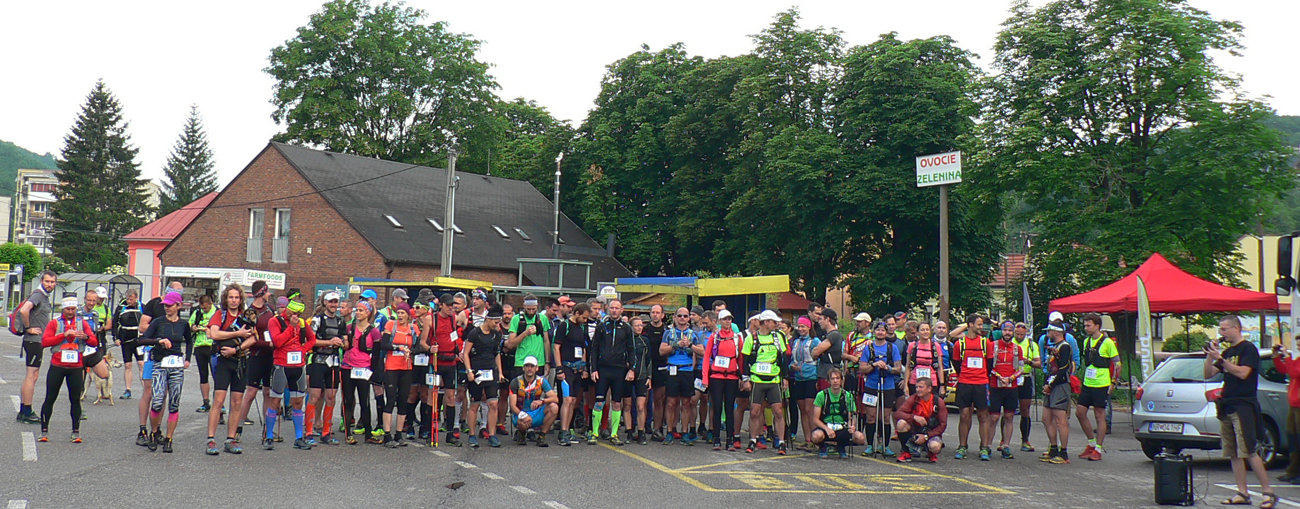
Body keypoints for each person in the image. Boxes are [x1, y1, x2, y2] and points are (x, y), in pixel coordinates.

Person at [1207, 315, 1278, 509]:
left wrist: (1220, 360)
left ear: (1236, 328)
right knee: (1233, 452)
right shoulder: (1227, 352)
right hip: (1227, 405)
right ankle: (1242, 492)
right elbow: (1208, 374)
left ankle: (1268, 493)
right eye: (1220, 329)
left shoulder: (1248, 349)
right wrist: (1210, 355)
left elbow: (1243, 373)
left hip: (1243, 405)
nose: (1222, 333)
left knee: (1249, 450)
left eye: (1224, 329)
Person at [137, 291, 194, 452]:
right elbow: (142, 339)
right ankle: (154, 433)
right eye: (165, 306)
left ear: (178, 306)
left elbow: (189, 341)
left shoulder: (183, 324)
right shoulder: (158, 322)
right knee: (157, 401)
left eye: (170, 305)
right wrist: (159, 341)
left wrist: (187, 359)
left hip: (176, 365)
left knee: (174, 403)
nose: (167, 308)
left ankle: (169, 438)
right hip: (159, 364)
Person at [37, 296, 98, 443]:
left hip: (76, 367)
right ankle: (44, 431)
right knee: (50, 397)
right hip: (57, 366)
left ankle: (75, 432)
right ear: (63, 309)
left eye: (73, 309)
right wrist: (63, 335)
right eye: (68, 309)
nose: (70, 312)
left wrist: (85, 337)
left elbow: (94, 341)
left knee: (75, 399)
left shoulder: (82, 323)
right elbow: (44, 342)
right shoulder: (54, 323)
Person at [205, 283, 254, 455]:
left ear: (241, 299)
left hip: (240, 361)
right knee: (218, 401)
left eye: (237, 297)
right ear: (226, 299)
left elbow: (253, 338)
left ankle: (230, 439)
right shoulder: (221, 314)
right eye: (231, 297)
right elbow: (215, 334)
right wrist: (237, 334)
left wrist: (236, 349)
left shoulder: (246, 316)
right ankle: (211, 440)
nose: (234, 300)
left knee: (237, 402)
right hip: (223, 362)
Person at [264, 296, 316, 450]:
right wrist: (290, 327)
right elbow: (277, 342)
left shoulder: (302, 323)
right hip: (281, 365)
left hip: (298, 366)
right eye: (292, 312)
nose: (294, 316)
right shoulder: (275, 321)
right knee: (275, 401)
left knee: (298, 402)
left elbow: (312, 339)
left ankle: (299, 438)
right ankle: (269, 437)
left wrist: (303, 350)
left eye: (297, 314)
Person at [588, 299, 635, 445]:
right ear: (608, 309)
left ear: (622, 310)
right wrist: (593, 369)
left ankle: (614, 434)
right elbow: (594, 349)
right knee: (599, 402)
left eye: (617, 308)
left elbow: (631, 349)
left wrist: (632, 369)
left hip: (619, 370)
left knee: (617, 403)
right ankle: (594, 432)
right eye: (612, 308)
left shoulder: (626, 328)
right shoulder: (602, 326)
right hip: (603, 369)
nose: (614, 310)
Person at [742, 310, 789, 455]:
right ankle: (753, 440)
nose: (777, 324)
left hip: (774, 379)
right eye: (774, 322)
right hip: (757, 379)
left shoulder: (779, 337)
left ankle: (781, 442)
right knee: (755, 411)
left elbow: (784, 358)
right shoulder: (751, 338)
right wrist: (746, 379)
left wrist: (785, 377)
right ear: (766, 322)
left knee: (778, 411)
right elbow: (744, 360)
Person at [1075, 313, 1119, 461]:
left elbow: (1117, 363)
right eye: (1085, 325)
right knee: (1080, 412)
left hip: (1102, 384)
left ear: (1097, 326)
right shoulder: (1086, 341)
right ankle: (1091, 443)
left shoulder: (1107, 342)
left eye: (1089, 325)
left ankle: (1098, 448)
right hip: (1088, 383)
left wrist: (1113, 382)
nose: (1086, 328)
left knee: (1099, 415)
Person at [306, 292, 347, 445]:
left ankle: (326, 432)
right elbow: (310, 341)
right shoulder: (317, 320)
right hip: (318, 362)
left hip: (334, 363)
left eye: (336, 302)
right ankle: (308, 432)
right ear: (325, 303)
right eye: (331, 302)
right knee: (314, 396)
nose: (333, 305)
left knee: (331, 397)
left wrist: (342, 343)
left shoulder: (341, 321)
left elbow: (346, 343)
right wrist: (329, 342)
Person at [237, 281, 277, 438]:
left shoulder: (270, 309)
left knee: (268, 392)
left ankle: (268, 430)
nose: (269, 295)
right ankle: (238, 429)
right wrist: (267, 343)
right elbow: (249, 338)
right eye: (267, 292)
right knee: (251, 392)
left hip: (270, 356)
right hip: (256, 355)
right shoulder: (250, 312)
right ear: (261, 293)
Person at [16, 270, 57, 424]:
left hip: (36, 341)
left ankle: (23, 411)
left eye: (52, 282)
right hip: (33, 340)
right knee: (31, 375)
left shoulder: (43, 296)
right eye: (47, 281)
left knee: (32, 374)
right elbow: (24, 310)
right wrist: (29, 328)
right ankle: (27, 411)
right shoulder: (38, 295)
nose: (50, 284)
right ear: (42, 281)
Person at [462, 303, 504, 448]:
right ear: (488, 319)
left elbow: (497, 354)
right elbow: (465, 353)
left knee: (493, 403)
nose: (497, 325)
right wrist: (469, 371)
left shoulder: (496, 334)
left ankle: (492, 434)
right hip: (477, 372)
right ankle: (472, 434)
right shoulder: (475, 333)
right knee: (475, 404)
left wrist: (500, 372)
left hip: (491, 371)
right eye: (495, 322)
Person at [952, 314, 994, 460]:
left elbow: (989, 363)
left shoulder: (985, 343)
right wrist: (965, 375)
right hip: (965, 382)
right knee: (964, 415)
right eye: (979, 324)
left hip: (981, 383)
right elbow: (956, 363)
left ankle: (984, 447)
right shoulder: (960, 344)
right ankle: (962, 446)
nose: (981, 327)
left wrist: (981, 376)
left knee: (983, 415)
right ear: (970, 324)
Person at [859, 321, 902, 457]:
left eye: (883, 330)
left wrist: (888, 368)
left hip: (888, 386)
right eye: (878, 330)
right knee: (871, 416)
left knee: (885, 417)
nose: (880, 332)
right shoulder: (868, 348)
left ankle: (885, 446)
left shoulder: (892, 348)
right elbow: (862, 368)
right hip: (871, 386)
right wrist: (874, 365)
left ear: (886, 332)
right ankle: (870, 445)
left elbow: (898, 368)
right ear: (874, 332)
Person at [379, 302, 419, 448]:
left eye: (403, 313)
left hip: (406, 368)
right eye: (399, 313)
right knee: (390, 400)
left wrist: (411, 351)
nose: (400, 315)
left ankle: (399, 434)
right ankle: (387, 435)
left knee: (403, 401)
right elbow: (383, 344)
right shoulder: (391, 324)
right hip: (391, 367)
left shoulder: (413, 328)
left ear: (408, 315)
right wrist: (398, 347)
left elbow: (418, 346)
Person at [661, 307, 702, 445]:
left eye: (685, 316)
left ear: (689, 318)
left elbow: (702, 351)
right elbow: (662, 350)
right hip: (673, 369)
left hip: (687, 370)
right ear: (675, 317)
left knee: (686, 403)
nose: (682, 318)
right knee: (671, 403)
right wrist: (675, 344)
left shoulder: (693, 334)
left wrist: (690, 345)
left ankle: (685, 432)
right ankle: (670, 432)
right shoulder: (669, 333)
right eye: (680, 316)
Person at [552, 302, 591, 446]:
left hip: (577, 369)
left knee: (574, 401)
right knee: (567, 400)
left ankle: (568, 429)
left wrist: (584, 366)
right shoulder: (564, 326)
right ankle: (562, 431)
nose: (585, 321)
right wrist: (559, 367)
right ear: (577, 313)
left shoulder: (582, 327)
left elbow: (584, 348)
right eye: (584, 318)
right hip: (566, 367)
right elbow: (556, 347)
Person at [343, 301, 380, 444]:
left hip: (363, 368)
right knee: (348, 400)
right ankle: (347, 433)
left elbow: (376, 354)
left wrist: (372, 370)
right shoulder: (349, 328)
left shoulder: (374, 331)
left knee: (364, 401)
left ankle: (368, 434)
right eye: (357, 310)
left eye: (361, 310)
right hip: (347, 367)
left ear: (368, 313)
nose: (358, 313)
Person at [809, 368, 865, 459]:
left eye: (838, 378)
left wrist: (852, 426)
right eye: (832, 378)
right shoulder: (821, 395)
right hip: (826, 427)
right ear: (828, 381)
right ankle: (822, 446)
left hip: (842, 427)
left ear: (842, 380)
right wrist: (826, 429)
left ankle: (841, 446)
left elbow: (852, 415)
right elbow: (815, 419)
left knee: (860, 438)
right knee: (816, 436)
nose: (835, 381)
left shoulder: (848, 396)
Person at [989, 324, 1026, 459]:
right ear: (1001, 331)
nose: (1007, 333)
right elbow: (988, 366)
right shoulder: (993, 346)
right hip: (995, 385)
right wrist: (999, 376)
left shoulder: (1017, 348)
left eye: (1010, 330)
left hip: (1011, 387)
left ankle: (1006, 446)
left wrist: (1011, 378)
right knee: (993, 418)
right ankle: (987, 446)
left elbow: (1021, 368)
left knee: (1009, 417)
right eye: (1005, 330)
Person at [1040, 320, 1074, 464]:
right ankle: (1053, 447)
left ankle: (1063, 452)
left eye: (1049, 331)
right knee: (1046, 418)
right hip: (1051, 383)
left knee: (1060, 420)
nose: (1048, 334)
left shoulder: (1065, 347)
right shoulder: (1055, 347)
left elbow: (1063, 369)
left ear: (1056, 332)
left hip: (1060, 385)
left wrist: (1052, 385)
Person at [894, 377, 948, 463]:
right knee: (901, 423)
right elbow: (898, 413)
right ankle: (906, 452)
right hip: (915, 431)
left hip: (930, 432)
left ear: (929, 389)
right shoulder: (913, 398)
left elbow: (943, 425)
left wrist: (926, 436)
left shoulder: (938, 401)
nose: (917, 390)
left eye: (921, 387)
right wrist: (914, 417)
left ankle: (931, 453)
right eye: (916, 387)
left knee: (935, 446)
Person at [510, 356, 559, 446]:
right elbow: (512, 405)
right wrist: (523, 415)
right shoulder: (516, 382)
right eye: (527, 366)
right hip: (521, 413)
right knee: (521, 423)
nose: (529, 369)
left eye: (532, 366)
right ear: (523, 368)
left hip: (536, 412)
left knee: (554, 407)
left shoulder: (542, 381)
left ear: (537, 368)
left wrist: (542, 401)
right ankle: (522, 433)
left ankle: (542, 436)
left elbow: (555, 398)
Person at [788, 317, 821, 450]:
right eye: (799, 326)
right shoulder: (796, 342)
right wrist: (792, 367)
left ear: (809, 327)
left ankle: (815, 438)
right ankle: (807, 439)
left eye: (803, 326)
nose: (801, 329)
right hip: (798, 378)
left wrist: (818, 377)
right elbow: (792, 360)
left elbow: (819, 360)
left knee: (809, 409)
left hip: (811, 377)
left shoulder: (815, 341)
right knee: (802, 409)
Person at [1011, 323, 1042, 452]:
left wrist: (1028, 361)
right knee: (1008, 410)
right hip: (1011, 377)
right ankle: (1003, 441)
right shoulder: (1009, 342)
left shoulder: (1031, 344)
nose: (1019, 336)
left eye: (1021, 335)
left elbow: (1039, 363)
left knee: (1025, 410)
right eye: (1017, 334)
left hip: (1025, 377)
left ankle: (1025, 440)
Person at [1273, 342, 1300, 484]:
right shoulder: (1298, 360)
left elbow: (1294, 373)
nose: (1298, 346)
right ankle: (1293, 471)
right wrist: (1276, 357)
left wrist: (1287, 356)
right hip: (1294, 405)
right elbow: (1284, 369)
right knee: (1293, 439)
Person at [113, 288, 145, 400]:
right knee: (128, 365)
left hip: (139, 340)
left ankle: (146, 390)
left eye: (131, 299)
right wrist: (116, 338)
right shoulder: (121, 307)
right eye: (127, 299)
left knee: (141, 364)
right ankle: (128, 390)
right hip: (126, 340)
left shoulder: (142, 307)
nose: (129, 301)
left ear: (136, 298)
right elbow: (115, 323)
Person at [629, 315, 655, 445]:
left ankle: (641, 432)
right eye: (637, 325)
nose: (640, 327)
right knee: (627, 405)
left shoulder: (645, 341)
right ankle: (629, 431)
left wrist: (649, 377)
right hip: (627, 376)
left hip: (642, 376)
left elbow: (649, 360)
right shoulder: (626, 340)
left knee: (640, 406)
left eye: (641, 325)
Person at [645, 304, 669, 442]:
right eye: (653, 312)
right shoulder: (644, 330)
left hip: (661, 366)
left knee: (659, 400)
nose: (655, 314)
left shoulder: (667, 331)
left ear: (662, 315)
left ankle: (657, 429)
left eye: (657, 312)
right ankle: (642, 427)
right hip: (646, 366)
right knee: (644, 400)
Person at [190, 294, 216, 414]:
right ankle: (206, 402)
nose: (204, 310)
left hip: (212, 346)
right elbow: (190, 324)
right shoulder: (197, 313)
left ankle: (218, 403)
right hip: (200, 346)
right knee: (203, 374)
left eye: (206, 308)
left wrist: (208, 329)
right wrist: (194, 327)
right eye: (202, 308)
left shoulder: (217, 313)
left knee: (217, 376)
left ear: (210, 304)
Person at [905, 322, 946, 397]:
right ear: (917, 332)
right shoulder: (912, 346)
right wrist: (905, 385)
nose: (925, 332)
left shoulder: (936, 346)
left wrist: (942, 385)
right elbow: (908, 366)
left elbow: (940, 367)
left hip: (932, 381)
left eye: (927, 329)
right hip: (915, 380)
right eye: (922, 330)